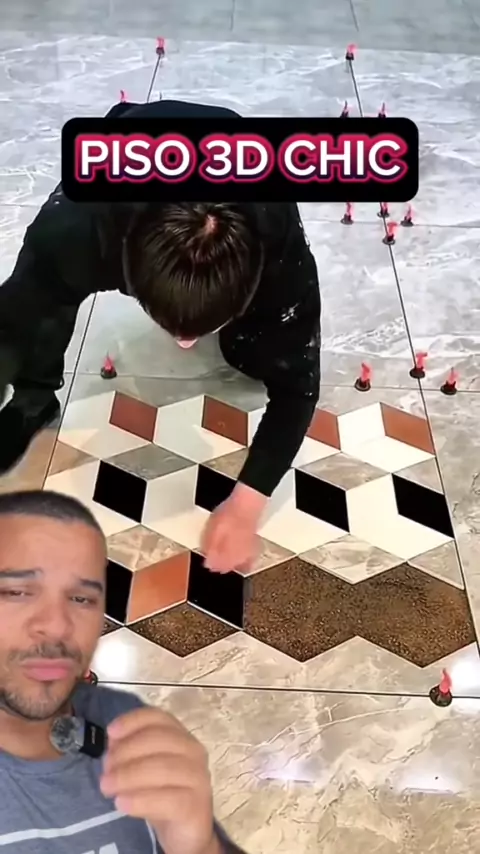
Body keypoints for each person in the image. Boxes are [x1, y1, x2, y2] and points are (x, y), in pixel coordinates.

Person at [0, 98, 321, 575]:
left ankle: (237, 334)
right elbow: (12, 323)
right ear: (127, 273)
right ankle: (34, 402)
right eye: (170, 324)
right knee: (42, 304)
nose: (185, 345)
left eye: (203, 328)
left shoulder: (278, 245)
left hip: (235, 154)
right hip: (126, 153)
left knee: (259, 352)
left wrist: (246, 505)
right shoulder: (77, 227)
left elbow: (298, 388)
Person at [0, 488, 247, 854]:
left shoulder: (124, 719)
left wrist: (200, 846)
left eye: (81, 599)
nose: (57, 625)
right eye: (17, 592)